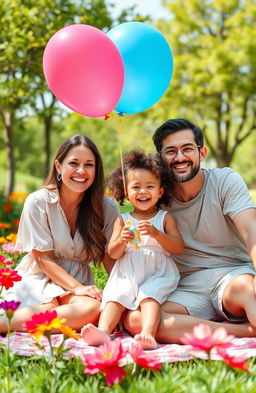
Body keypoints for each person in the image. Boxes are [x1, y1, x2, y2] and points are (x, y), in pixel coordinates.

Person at [124, 118, 256, 342]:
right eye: (170, 151)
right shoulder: (154, 197)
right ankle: (245, 332)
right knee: (137, 320)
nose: (179, 157)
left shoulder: (225, 181)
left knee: (249, 292)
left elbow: (251, 231)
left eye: (187, 149)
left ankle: (206, 326)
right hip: (185, 287)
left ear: (202, 153)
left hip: (233, 276)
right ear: (160, 159)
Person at [0, 135, 119, 333]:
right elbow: (42, 258)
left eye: (89, 164)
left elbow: (109, 257)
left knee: (92, 307)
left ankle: (19, 323)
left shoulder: (106, 207)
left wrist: (123, 295)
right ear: (58, 166)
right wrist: (77, 288)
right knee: (48, 307)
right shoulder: (38, 201)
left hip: (77, 279)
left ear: (96, 170)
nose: (81, 171)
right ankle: (4, 324)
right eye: (73, 163)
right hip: (39, 275)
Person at [81, 150, 184, 349]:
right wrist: (121, 240)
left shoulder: (165, 218)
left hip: (158, 272)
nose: (143, 191)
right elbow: (113, 252)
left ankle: (147, 334)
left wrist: (157, 234)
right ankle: (103, 331)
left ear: (161, 191)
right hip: (128, 271)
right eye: (136, 187)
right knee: (116, 296)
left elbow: (178, 247)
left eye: (150, 186)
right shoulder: (123, 220)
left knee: (149, 296)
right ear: (126, 193)